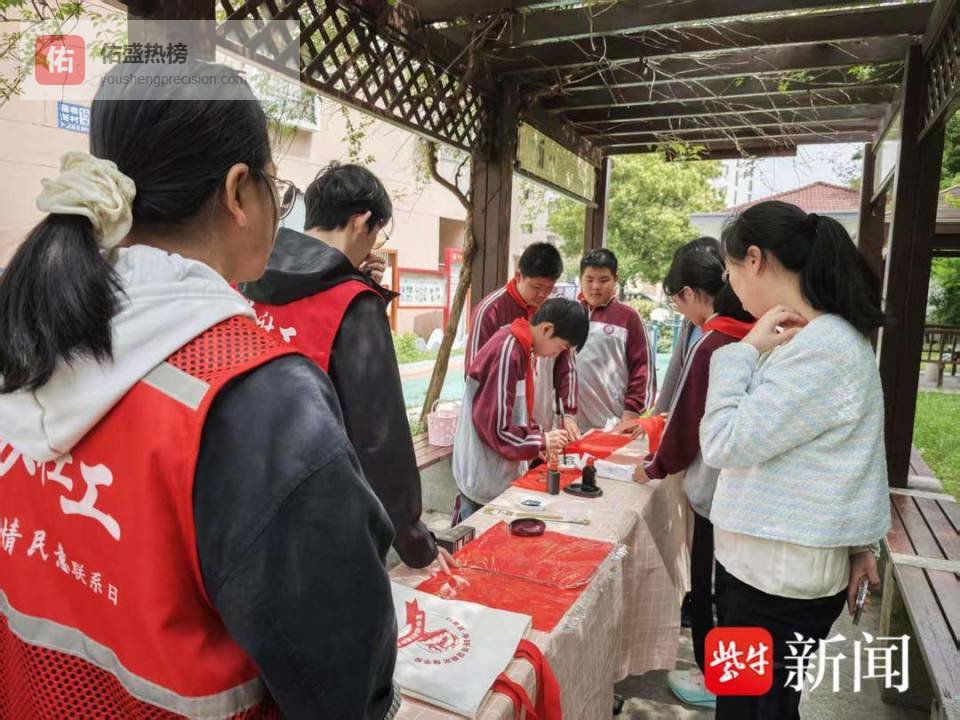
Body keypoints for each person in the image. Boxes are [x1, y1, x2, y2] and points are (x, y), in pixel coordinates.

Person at [0, 61, 398, 719]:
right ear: (240, 191)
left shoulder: (28, 338)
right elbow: (345, 681)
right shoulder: (261, 397)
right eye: (277, 184)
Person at [700, 200, 890, 719]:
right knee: (754, 703)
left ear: (755, 260)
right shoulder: (822, 339)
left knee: (753, 708)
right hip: (769, 568)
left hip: (773, 578)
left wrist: (740, 352)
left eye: (730, 269)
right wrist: (859, 543)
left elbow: (722, 441)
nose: (731, 283)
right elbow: (847, 455)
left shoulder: (821, 349)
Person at [241, 162, 453, 572]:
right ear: (361, 222)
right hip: (318, 526)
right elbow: (380, 442)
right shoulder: (353, 305)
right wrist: (415, 542)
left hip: (243, 500)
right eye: (377, 233)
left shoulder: (246, 278)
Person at [633, 239, 754, 710]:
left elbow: (688, 422)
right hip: (749, 497)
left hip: (718, 493)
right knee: (739, 597)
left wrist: (656, 465)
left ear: (688, 294)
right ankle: (738, 683)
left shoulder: (717, 339)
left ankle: (714, 678)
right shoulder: (761, 332)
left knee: (708, 589)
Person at [452, 298, 589, 523]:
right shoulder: (508, 350)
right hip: (484, 471)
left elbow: (517, 412)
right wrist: (540, 440)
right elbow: (494, 427)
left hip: (496, 470)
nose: (556, 354)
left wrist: (536, 443)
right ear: (547, 329)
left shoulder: (521, 347)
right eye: (560, 347)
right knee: (475, 543)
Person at [466, 242, 581, 439]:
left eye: (549, 288)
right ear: (519, 276)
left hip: (541, 427)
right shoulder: (490, 311)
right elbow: (475, 374)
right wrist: (502, 428)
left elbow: (566, 365)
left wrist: (567, 413)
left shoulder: (552, 311)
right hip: (503, 427)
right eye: (537, 287)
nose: (543, 294)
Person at [574, 248, 656, 431]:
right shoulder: (570, 315)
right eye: (589, 279)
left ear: (615, 279)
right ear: (580, 279)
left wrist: (631, 414)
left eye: (603, 280)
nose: (595, 286)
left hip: (611, 424)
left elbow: (643, 369)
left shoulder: (628, 318)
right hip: (569, 426)